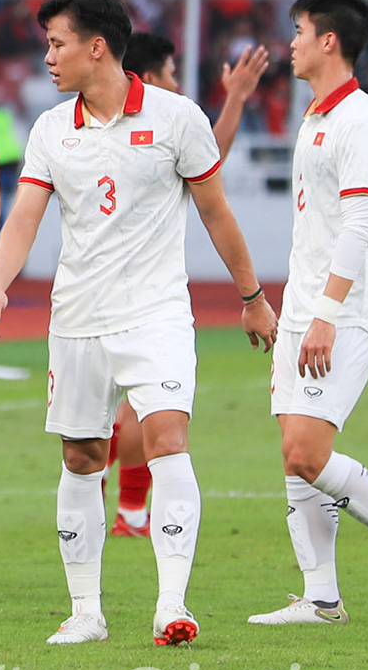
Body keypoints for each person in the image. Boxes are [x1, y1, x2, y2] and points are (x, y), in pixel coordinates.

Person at [0, 0, 276, 647]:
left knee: (167, 437)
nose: (48, 57)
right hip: (77, 318)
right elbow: (25, 215)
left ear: (97, 47)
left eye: (57, 44)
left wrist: (252, 297)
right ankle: (86, 613)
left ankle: (172, 605)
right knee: (82, 457)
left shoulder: (176, 117)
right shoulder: (50, 129)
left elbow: (216, 211)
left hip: (155, 313)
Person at [249, 0, 368, 627]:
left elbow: (360, 223)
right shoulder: (316, 116)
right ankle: (322, 599)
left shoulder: (360, 121)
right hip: (303, 306)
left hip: (346, 311)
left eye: (300, 31)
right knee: (294, 456)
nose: (291, 43)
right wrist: (299, 307)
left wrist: (327, 313)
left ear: (328, 40)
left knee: (308, 452)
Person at [107, 32, 269, 538]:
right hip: (137, 297)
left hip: (98, 293)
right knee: (141, 407)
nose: (178, 85)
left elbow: (206, 158)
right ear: (148, 78)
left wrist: (235, 99)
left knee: (116, 409)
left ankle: (124, 508)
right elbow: (210, 168)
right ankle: (129, 510)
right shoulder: (143, 133)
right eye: (172, 74)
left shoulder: (103, 128)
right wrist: (236, 98)